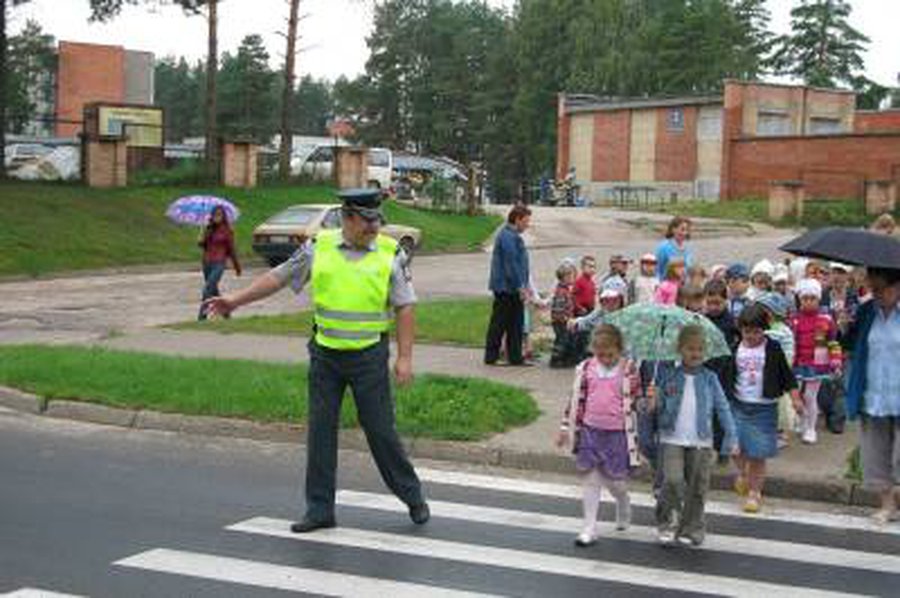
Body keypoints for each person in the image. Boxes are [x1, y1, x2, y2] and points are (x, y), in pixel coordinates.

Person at [203, 189, 429, 532]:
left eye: (377, 220)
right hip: (326, 355)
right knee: (321, 433)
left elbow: (405, 306)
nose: (373, 227)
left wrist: (405, 358)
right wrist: (235, 300)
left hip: (369, 356)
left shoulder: (389, 252)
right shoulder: (318, 247)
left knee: (380, 431)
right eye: (367, 221)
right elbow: (278, 277)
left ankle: (413, 496)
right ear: (347, 217)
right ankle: (320, 510)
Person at [649, 325, 737, 546]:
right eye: (690, 349)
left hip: (701, 441)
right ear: (680, 349)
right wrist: (652, 398)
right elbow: (653, 408)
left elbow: (722, 407)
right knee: (672, 480)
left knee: (697, 487)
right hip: (671, 438)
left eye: (700, 349)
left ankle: (691, 528)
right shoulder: (668, 375)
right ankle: (666, 522)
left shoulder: (710, 378)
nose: (695, 353)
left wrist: (731, 436)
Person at [557, 324, 639, 546]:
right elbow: (574, 399)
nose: (605, 359)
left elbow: (636, 399)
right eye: (600, 354)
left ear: (619, 350)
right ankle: (589, 527)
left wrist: (645, 394)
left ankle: (623, 501)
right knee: (590, 479)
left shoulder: (628, 369)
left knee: (615, 482)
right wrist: (566, 427)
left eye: (610, 354)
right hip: (590, 431)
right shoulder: (585, 369)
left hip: (617, 434)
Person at [724, 304, 800, 513]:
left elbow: (786, 375)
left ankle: (754, 493)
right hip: (738, 404)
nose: (751, 336)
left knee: (758, 453)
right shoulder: (734, 348)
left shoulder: (772, 348)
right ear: (741, 329)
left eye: (757, 331)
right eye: (747, 331)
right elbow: (726, 375)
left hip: (764, 408)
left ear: (764, 330)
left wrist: (795, 398)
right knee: (734, 447)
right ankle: (743, 473)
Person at [842, 267, 900, 524]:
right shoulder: (866, 312)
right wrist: (844, 328)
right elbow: (850, 345)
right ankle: (887, 505)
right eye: (872, 288)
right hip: (873, 394)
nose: (875, 294)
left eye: (881, 289)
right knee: (876, 455)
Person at [790, 279, 840, 443]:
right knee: (797, 395)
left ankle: (811, 428)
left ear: (819, 299)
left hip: (817, 365)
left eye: (813, 298)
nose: (809, 302)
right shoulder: (794, 318)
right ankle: (803, 421)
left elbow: (833, 341)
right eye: (805, 298)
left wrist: (835, 360)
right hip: (797, 363)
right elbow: (789, 340)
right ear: (800, 300)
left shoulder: (826, 319)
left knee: (810, 396)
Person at [485, 205, 532, 366]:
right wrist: (520, 286)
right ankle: (491, 357)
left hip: (514, 288)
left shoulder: (513, 236)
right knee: (500, 322)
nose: (527, 225)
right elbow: (510, 264)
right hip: (506, 288)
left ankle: (515, 357)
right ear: (517, 219)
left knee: (515, 323)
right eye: (526, 221)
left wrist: (524, 286)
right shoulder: (507, 236)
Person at [197, 205, 241, 320]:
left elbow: (231, 250)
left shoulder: (227, 230)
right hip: (206, 263)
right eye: (215, 214)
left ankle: (201, 318)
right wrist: (202, 235)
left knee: (207, 290)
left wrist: (237, 266)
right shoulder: (208, 228)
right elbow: (203, 245)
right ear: (212, 216)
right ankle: (226, 312)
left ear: (223, 216)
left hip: (219, 263)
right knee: (213, 290)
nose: (217, 216)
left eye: (219, 214)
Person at [550, 261, 579, 368]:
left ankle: (566, 358)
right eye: (571, 276)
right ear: (565, 277)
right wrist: (564, 319)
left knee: (567, 339)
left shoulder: (566, 290)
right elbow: (559, 308)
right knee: (561, 340)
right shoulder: (561, 292)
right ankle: (556, 359)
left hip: (566, 320)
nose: (573, 278)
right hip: (561, 321)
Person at [655, 216, 692, 281]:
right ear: (673, 229)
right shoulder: (664, 247)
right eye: (682, 229)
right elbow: (657, 270)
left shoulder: (687, 249)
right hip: (666, 287)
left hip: (683, 287)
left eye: (687, 230)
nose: (684, 233)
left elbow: (688, 270)